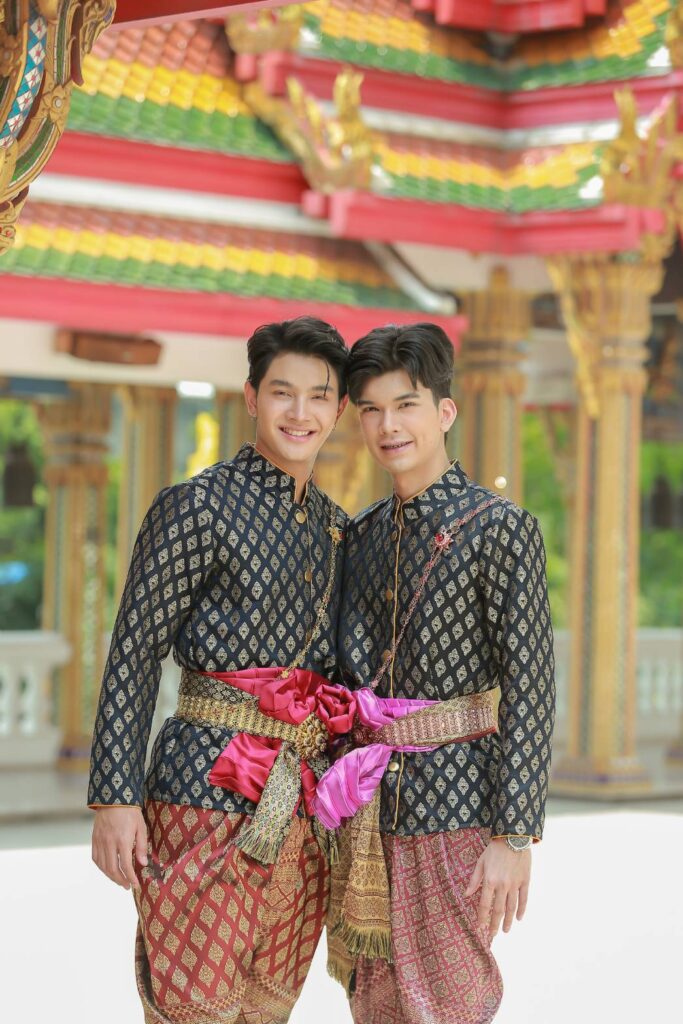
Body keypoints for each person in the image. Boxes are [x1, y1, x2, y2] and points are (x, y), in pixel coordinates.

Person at [88, 316, 355, 1024]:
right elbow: (134, 649)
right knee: (193, 1008)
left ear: (338, 409)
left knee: (265, 1010)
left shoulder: (336, 528)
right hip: (201, 788)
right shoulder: (196, 506)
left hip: (300, 805)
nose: (300, 412)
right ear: (251, 397)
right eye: (283, 392)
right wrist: (114, 798)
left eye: (318, 396)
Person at [315, 323, 555, 1024]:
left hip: (457, 810)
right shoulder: (358, 536)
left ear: (444, 411)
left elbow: (532, 689)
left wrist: (514, 836)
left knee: (452, 1004)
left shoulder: (499, 528)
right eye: (371, 410)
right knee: (374, 1003)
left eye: (405, 405)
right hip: (364, 810)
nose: (388, 426)